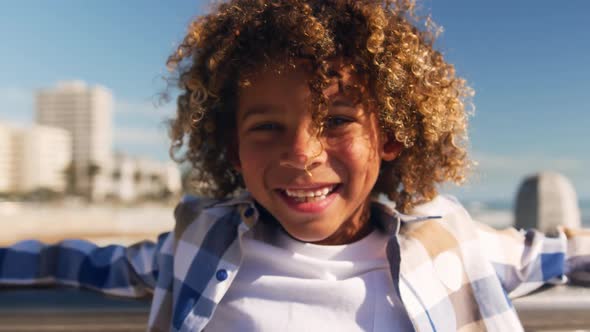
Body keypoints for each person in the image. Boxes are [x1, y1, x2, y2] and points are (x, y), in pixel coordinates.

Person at [1, 0, 589, 331]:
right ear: (233, 148)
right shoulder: (200, 240)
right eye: (266, 127)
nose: (302, 153)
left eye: (336, 121)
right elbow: (82, 264)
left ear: (393, 139)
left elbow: (558, 252)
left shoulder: (449, 242)